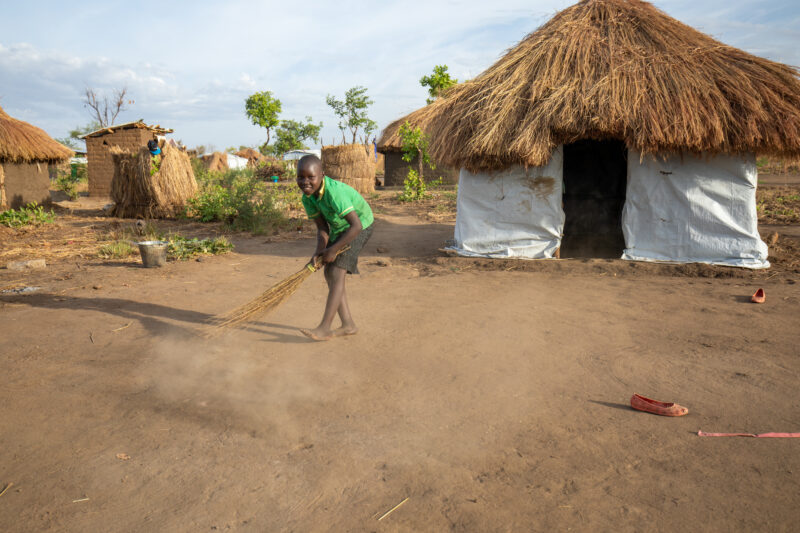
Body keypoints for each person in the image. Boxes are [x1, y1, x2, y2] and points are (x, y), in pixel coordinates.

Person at [296, 154, 374, 341]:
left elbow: (356, 226)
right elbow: (323, 228)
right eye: (301, 177)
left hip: (360, 226)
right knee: (329, 273)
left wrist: (332, 249)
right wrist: (318, 252)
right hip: (341, 228)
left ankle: (324, 328)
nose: (305, 182)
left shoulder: (334, 192)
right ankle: (348, 325)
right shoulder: (308, 198)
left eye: (311, 177)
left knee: (337, 272)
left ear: (322, 175)